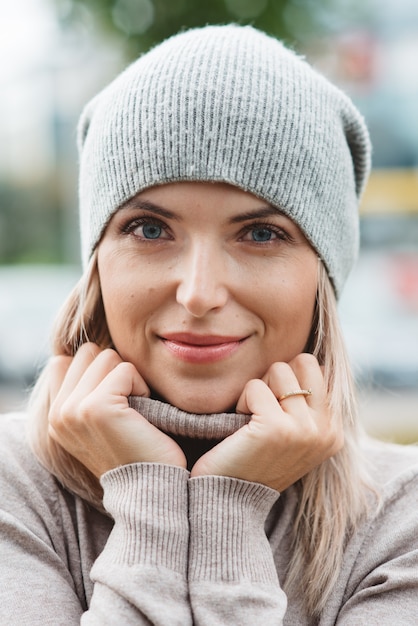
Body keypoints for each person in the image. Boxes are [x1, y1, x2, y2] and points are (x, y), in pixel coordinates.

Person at [1, 24, 418, 625]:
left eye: (260, 234)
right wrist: (151, 500)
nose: (198, 294)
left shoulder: (400, 521)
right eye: (149, 229)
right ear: (96, 265)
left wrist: (226, 508)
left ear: (323, 278)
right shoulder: (14, 488)